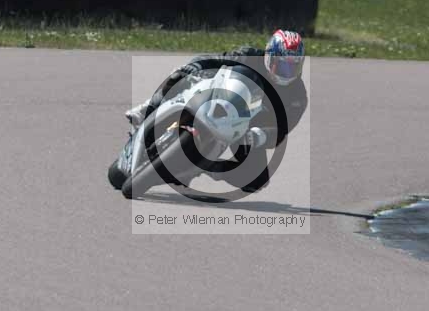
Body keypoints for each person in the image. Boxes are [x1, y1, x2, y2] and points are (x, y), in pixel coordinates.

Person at [125, 29, 308, 193]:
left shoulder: (297, 96)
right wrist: (195, 65)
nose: (287, 72)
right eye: (282, 65)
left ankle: (208, 167)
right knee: (179, 75)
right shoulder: (249, 56)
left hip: (245, 129)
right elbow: (216, 58)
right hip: (218, 98)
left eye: (294, 67)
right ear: (269, 56)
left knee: (258, 180)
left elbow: (282, 129)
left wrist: (259, 136)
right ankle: (148, 109)